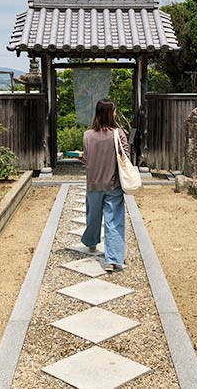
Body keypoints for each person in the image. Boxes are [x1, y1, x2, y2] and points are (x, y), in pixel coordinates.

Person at [80, 98, 130, 272]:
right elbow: (126, 157)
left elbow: (86, 159)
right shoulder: (119, 133)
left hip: (93, 184)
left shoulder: (87, 135)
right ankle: (112, 259)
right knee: (114, 221)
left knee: (93, 217)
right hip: (113, 184)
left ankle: (91, 242)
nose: (115, 113)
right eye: (114, 110)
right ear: (110, 113)